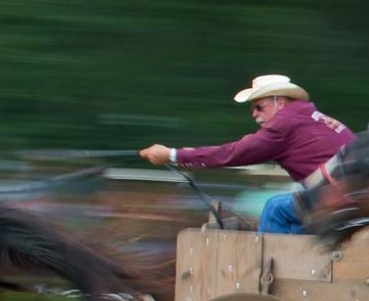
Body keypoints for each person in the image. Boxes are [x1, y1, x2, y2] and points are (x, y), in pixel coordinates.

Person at [139, 74, 353, 234]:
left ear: (280, 102)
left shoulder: (285, 124)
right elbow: (244, 147)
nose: (254, 113)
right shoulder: (310, 117)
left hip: (339, 198)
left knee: (275, 208)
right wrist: (191, 154)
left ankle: (265, 275)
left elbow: (234, 153)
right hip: (351, 194)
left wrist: (173, 155)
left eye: (259, 106)